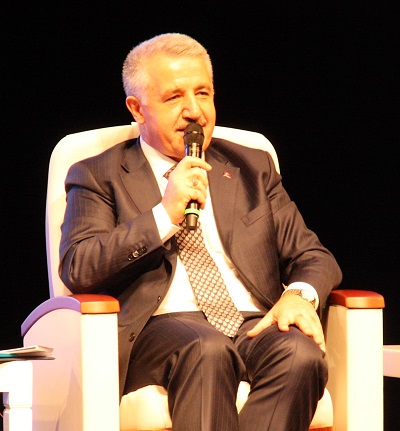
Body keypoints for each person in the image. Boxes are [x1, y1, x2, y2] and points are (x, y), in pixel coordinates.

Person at [59, 33, 342, 431]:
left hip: (250, 323)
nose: (194, 111)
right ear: (137, 109)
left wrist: (298, 296)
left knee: (300, 354)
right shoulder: (98, 174)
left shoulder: (252, 168)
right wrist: (163, 215)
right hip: (159, 330)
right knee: (207, 348)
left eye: (203, 93)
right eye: (174, 97)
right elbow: (79, 266)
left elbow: (313, 257)